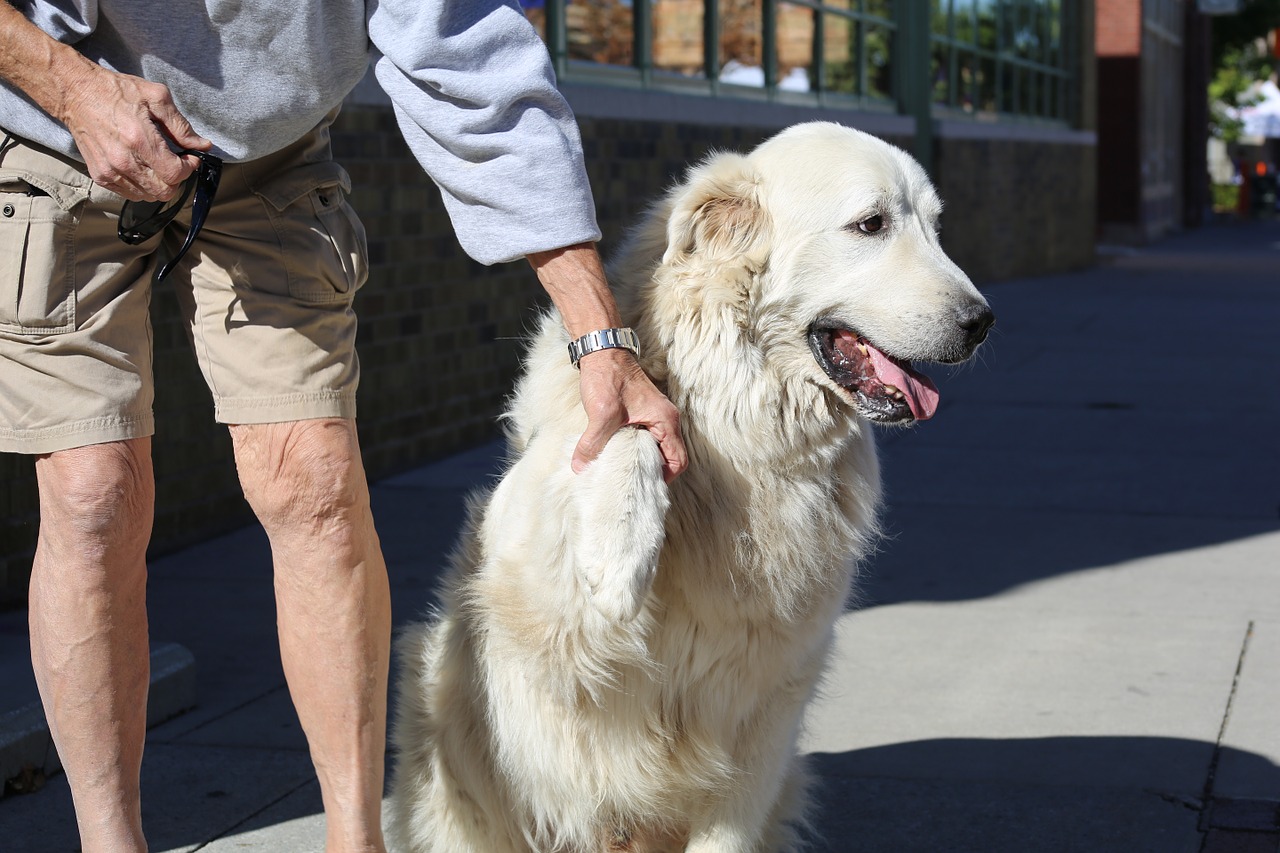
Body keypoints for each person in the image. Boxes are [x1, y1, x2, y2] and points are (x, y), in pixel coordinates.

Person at [0, 2, 686, 851]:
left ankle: (357, 840)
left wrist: (600, 340)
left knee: (315, 480)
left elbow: (474, 66)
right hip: (55, 124)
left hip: (265, 155)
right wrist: (69, 86)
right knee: (92, 492)